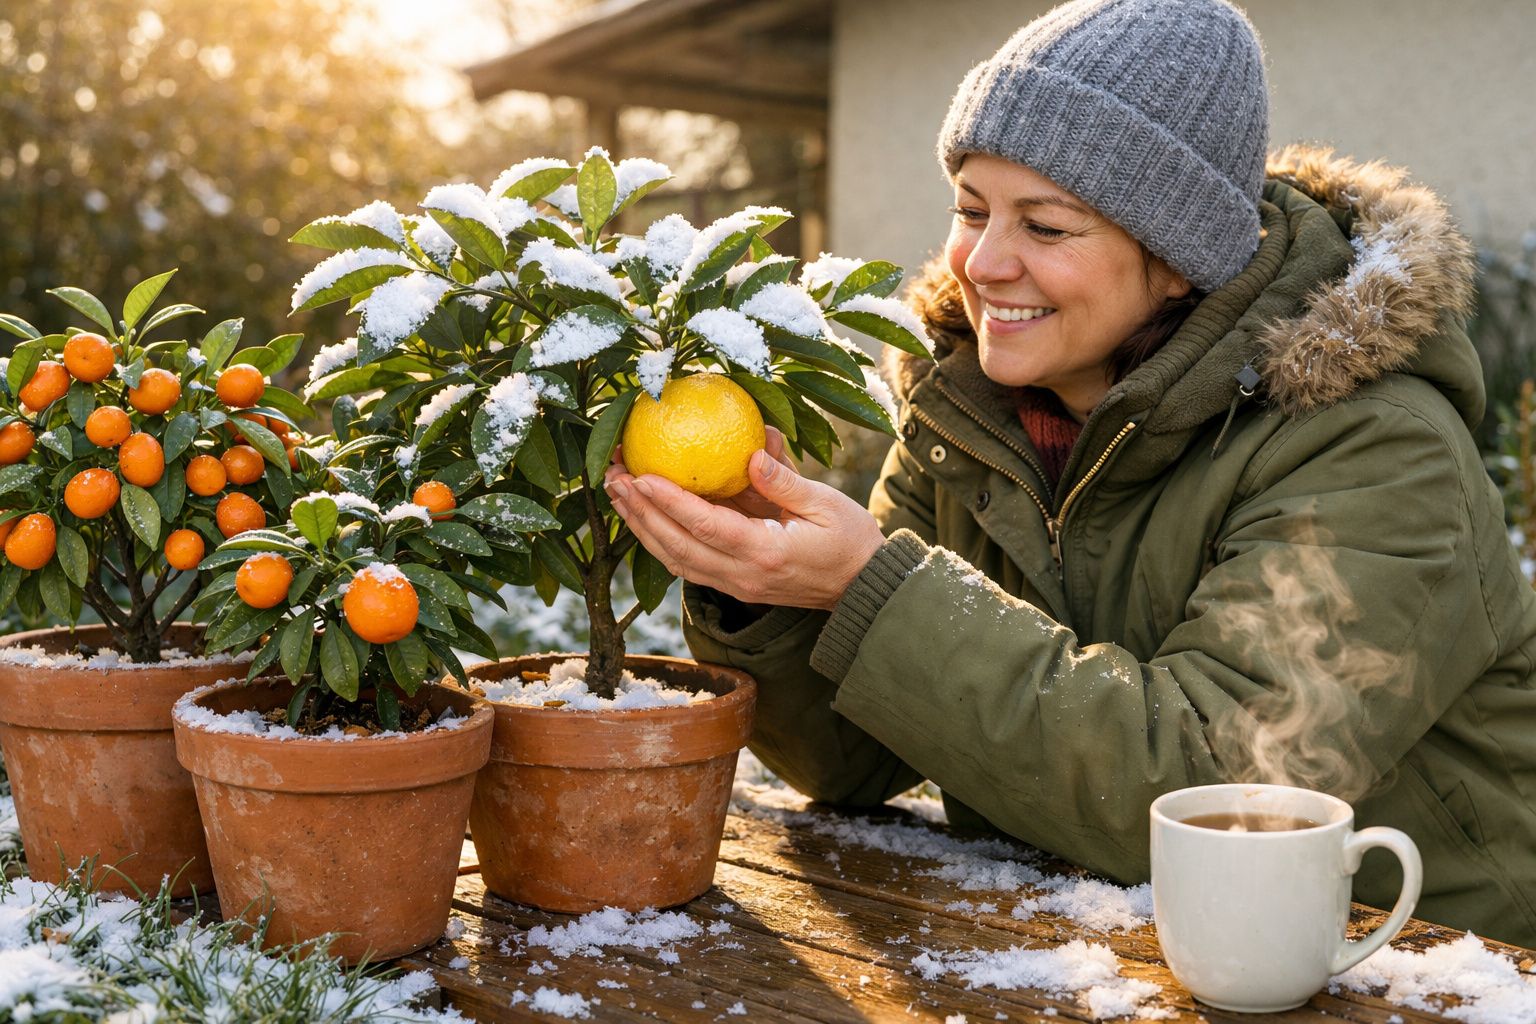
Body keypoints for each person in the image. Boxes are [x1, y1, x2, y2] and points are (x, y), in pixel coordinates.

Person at [604, 0, 1536, 946]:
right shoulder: (967, 414)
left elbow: (1210, 797)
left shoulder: (1374, 448)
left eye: (1046, 226)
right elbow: (850, 761)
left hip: (1406, 966)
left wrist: (867, 589)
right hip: (1088, 954)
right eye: (972, 210)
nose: (983, 262)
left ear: (1177, 261)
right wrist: (765, 591)